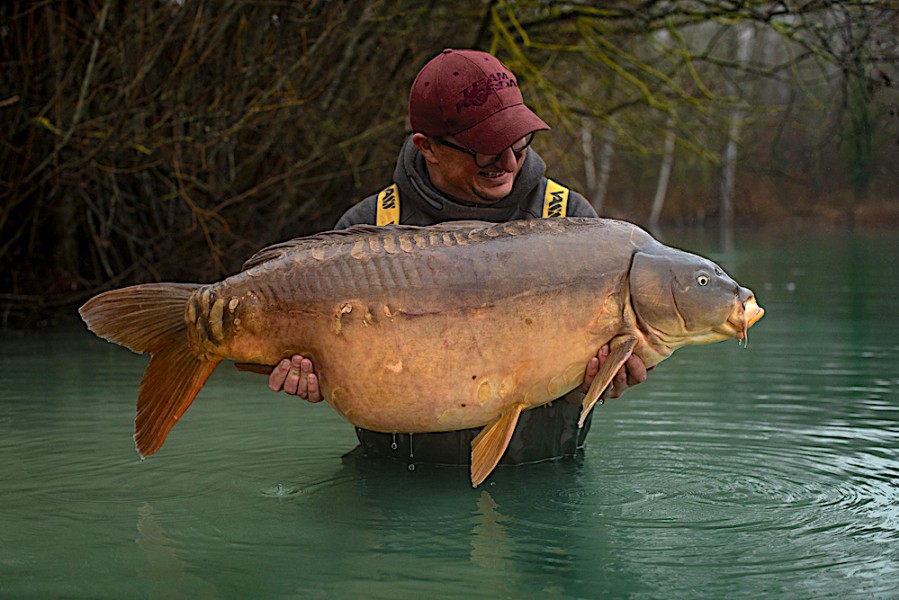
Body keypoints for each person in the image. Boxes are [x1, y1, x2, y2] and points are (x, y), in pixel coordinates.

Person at [269, 48, 648, 466]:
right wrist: (310, 371)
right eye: (486, 148)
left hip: (546, 478)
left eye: (519, 141)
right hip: (398, 488)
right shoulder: (367, 232)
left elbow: (604, 357)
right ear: (427, 146)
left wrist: (607, 376)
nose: (508, 162)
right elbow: (324, 363)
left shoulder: (572, 223)